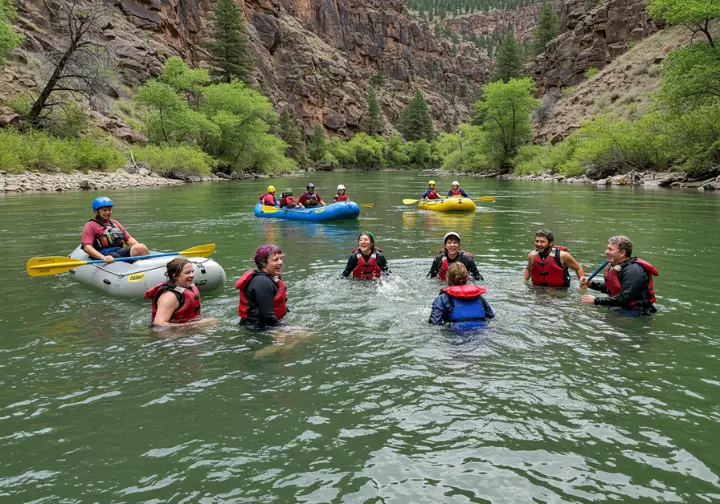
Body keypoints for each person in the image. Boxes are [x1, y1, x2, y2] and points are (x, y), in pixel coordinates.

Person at [581, 235, 658, 313]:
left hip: (639, 312)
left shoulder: (633, 271)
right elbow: (614, 288)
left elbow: (624, 298)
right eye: (607, 248)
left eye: (610, 249)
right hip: (624, 307)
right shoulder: (615, 266)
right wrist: (591, 284)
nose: (606, 252)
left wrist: (596, 300)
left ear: (622, 253)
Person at [145, 258, 216, 327]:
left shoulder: (190, 286)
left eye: (192, 271)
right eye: (187, 272)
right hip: (172, 337)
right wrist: (198, 324)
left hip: (187, 332)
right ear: (174, 275)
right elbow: (159, 325)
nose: (192, 275)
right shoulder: (169, 296)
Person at [81, 196, 149, 264]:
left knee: (141, 247)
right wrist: (103, 257)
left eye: (110, 210)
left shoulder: (115, 223)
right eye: (105, 210)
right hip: (103, 253)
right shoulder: (90, 225)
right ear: (96, 212)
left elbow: (128, 239)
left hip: (119, 251)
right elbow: (87, 246)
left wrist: (141, 248)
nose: (108, 212)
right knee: (116, 257)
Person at [236, 244, 288, 329]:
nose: (280, 262)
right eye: (275, 260)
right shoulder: (262, 282)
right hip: (257, 329)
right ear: (263, 263)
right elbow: (267, 316)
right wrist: (287, 328)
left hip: (265, 326)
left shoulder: (268, 278)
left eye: (280, 258)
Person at [429, 262, 494, 327]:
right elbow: (491, 318)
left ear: (447, 279)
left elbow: (434, 324)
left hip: (454, 335)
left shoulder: (442, 299)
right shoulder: (479, 298)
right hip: (481, 334)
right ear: (467, 277)